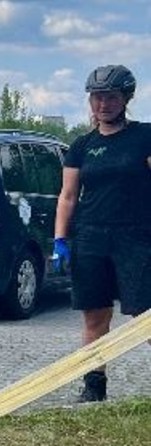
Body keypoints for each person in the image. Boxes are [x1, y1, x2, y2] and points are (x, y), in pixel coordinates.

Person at [54, 64, 151, 403]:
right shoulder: (82, 145)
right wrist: (60, 240)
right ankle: (94, 385)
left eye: (110, 97)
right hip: (90, 237)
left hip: (137, 237)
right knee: (95, 316)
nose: (102, 104)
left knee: (145, 316)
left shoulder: (144, 136)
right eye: (96, 98)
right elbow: (68, 196)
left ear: (126, 98)